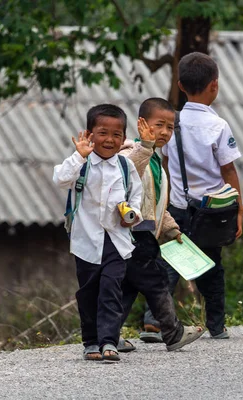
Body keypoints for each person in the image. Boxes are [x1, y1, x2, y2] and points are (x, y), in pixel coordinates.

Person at [161, 52, 243, 339]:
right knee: (211, 266)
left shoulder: (171, 124)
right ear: (215, 85)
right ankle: (216, 326)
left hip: (178, 207)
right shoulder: (218, 125)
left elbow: (164, 164)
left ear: (181, 86)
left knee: (170, 262)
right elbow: (229, 170)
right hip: (211, 210)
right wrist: (239, 210)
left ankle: (154, 320)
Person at [52, 104, 142, 362]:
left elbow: (137, 197)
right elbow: (60, 179)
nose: (110, 140)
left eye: (117, 134)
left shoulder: (125, 167)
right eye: (103, 133)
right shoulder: (81, 164)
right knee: (89, 292)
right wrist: (78, 156)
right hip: (86, 241)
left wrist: (132, 215)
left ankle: (109, 342)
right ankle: (91, 342)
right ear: (90, 134)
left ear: (124, 137)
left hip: (117, 240)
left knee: (111, 289)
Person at [117, 97, 205, 351]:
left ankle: (107, 336)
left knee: (127, 289)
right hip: (132, 233)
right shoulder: (130, 152)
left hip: (146, 233)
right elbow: (125, 172)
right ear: (142, 124)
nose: (165, 132)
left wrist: (170, 228)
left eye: (170, 127)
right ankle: (173, 332)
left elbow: (156, 204)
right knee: (156, 283)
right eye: (159, 125)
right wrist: (144, 145)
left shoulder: (156, 160)